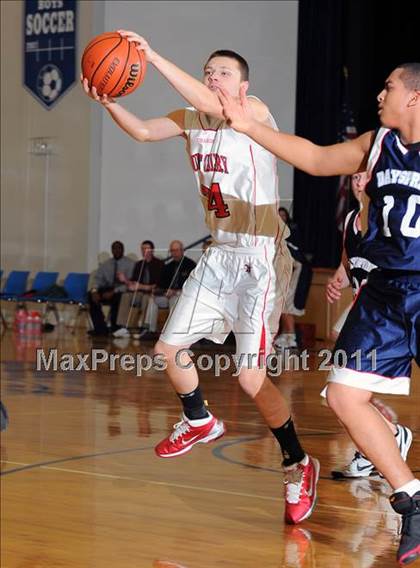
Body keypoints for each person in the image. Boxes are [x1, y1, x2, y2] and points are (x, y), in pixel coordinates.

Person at [82, 34, 320, 525]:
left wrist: (151, 57)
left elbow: (216, 104)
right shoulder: (193, 120)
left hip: (259, 258)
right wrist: (109, 103)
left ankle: (298, 463)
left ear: (244, 84)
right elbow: (146, 131)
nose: (214, 78)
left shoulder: (253, 111)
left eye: (223, 72)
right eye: (209, 71)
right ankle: (199, 419)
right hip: (218, 255)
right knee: (167, 352)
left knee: (251, 377)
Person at [217, 62, 420, 565]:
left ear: (414, 97)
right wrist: (248, 126)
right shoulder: (376, 144)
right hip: (385, 294)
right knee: (345, 396)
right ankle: (411, 498)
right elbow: (312, 157)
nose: (380, 93)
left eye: (389, 86)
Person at [326, 171, 412, 479]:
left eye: (366, 177)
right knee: (340, 391)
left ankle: (388, 440)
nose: (359, 183)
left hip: (399, 307)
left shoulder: (394, 215)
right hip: (369, 309)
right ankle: (380, 443)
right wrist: (340, 273)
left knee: (342, 391)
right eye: (355, 178)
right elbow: (350, 256)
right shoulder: (351, 219)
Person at [140, 240, 196, 339]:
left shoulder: (191, 265)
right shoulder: (168, 267)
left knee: (174, 300)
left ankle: (172, 331)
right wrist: (159, 292)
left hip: (182, 295)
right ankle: (150, 330)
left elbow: (193, 286)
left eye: (177, 250)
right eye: (172, 251)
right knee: (152, 300)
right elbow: (161, 284)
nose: (175, 253)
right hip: (167, 295)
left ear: (182, 250)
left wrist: (175, 291)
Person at [275, 207, 312, 350]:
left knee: (286, 306)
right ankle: (286, 334)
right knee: (281, 305)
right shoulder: (274, 236)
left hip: (296, 272)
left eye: (283, 215)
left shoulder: (290, 234)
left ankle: (291, 337)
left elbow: (296, 261)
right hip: (287, 272)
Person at [115, 240, 164, 336]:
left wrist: (141, 286)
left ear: (152, 250)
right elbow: (134, 283)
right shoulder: (138, 264)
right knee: (126, 296)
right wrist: (125, 280)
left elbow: (158, 285)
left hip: (151, 292)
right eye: (142, 249)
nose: (144, 251)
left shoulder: (159, 264)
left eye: (146, 248)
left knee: (146, 298)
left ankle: (144, 328)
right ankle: (123, 327)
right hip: (139, 292)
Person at [88, 241, 134, 336]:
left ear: (123, 250)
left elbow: (130, 283)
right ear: (111, 250)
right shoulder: (106, 264)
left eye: (119, 248)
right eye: (114, 248)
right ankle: (101, 328)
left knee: (120, 297)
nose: (117, 250)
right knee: (90, 296)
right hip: (107, 288)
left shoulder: (130, 264)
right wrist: (94, 290)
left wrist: (114, 291)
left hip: (121, 290)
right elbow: (97, 279)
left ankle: (115, 328)